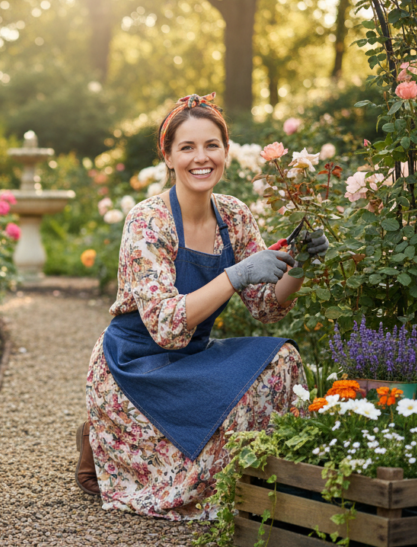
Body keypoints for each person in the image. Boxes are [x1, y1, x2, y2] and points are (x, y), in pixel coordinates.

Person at [75, 93, 328, 519]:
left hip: (193, 358)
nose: (201, 158)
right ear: (168, 156)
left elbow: (266, 307)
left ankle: (281, 480)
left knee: (281, 360)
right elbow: (166, 326)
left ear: (226, 152)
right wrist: (234, 275)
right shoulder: (148, 220)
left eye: (212, 145)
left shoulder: (234, 216)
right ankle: (101, 436)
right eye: (187, 147)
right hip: (136, 367)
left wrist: (300, 266)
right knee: (193, 483)